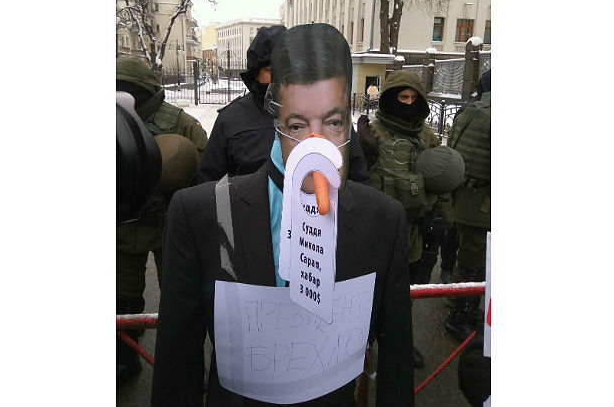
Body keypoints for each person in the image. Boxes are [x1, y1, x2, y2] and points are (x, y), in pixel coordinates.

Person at [151, 23, 414, 407]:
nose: (316, 145)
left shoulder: (384, 220)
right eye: (297, 125)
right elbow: (177, 368)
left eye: (333, 122)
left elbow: (396, 366)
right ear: (275, 123)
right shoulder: (200, 216)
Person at [115, 56, 208, 386]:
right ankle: (125, 358)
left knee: (180, 298)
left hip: (170, 226)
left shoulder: (181, 123)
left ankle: (183, 363)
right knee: (122, 299)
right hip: (123, 230)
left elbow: (204, 171)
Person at [357, 69, 454, 368]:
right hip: (378, 229)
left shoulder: (426, 137)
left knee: (406, 290)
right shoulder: (372, 134)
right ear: (390, 98)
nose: (409, 103)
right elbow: (353, 182)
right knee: (372, 290)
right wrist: (362, 151)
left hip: (414, 231)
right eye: (402, 97)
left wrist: (443, 219)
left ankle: (398, 340)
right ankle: (364, 341)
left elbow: (441, 182)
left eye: (414, 97)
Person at [197, 25, 371, 185]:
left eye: (288, 68)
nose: (280, 78)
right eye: (271, 71)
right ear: (256, 74)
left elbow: (357, 178)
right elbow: (210, 185)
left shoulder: (329, 114)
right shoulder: (231, 119)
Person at [444, 71, 491, 342]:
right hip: (482, 206)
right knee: (473, 264)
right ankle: (456, 317)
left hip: (465, 197)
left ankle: (468, 310)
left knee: (471, 261)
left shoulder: (470, 110)